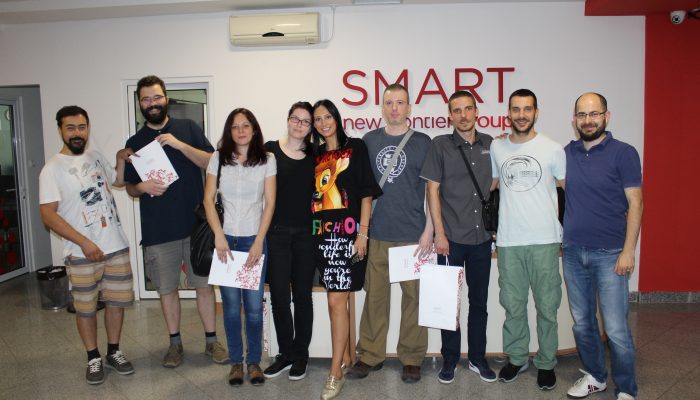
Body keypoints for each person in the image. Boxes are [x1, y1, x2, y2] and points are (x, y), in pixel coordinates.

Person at [123, 75, 227, 368]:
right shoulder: (134, 143)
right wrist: (141, 187)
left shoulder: (188, 128)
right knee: (166, 290)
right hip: (159, 230)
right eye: (146, 99)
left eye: (156, 97)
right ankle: (174, 344)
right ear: (140, 103)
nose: (152, 103)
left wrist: (180, 145)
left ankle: (211, 341)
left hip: (196, 227)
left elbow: (211, 163)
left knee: (204, 286)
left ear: (165, 98)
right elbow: (129, 187)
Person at [39, 106, 135, 385]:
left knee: (116, 303)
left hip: (115, 247)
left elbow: (118, 182)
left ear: (87, 128)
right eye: (70, 128)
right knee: (86, 308)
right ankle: (93, 357)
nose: (77, 133)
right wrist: (84, 242)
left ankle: (113, 351)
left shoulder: (95, 156)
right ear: (60, 130)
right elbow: (47, 215)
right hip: (81, 253)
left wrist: (119, 158)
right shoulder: (51, 169)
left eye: (82, 127)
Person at [347, 83, 432, 384]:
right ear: (382, 107)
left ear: (409, 107)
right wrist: (362, 232)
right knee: (375, 297)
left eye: (400, 102)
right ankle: (370, 355)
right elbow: (360, 189)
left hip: (412, 235)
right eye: (389, 103)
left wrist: (429, 231)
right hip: (378, 234)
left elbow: (433, 191)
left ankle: (412, 358)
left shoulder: (423, 142)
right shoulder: (369, 141)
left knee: (414, 300)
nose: (394, 108)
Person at [563, 93, 642, 400]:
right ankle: (596, 376)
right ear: (574, 120)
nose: (588, 120)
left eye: (594, 114)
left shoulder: (624, 153)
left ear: (606, 116)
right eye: (582, 115)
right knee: (583, 324)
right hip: (573, 252)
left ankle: (626, 388)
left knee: (616, 329)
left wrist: (628, 250)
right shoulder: (566, 153)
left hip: (611, 254)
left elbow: (636, 203)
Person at [490, 89, 566, 390]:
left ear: (536, 112)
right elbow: (493, 186)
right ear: (508, 113)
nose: (521, 115)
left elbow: (566, 191)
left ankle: (546, 363)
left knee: (547, 306)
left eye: (527, 109)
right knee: (513, 305)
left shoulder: (553, 149)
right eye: (516, 109)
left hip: (545, 239)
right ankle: (518, 357)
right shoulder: (497, 147)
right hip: (509, 240)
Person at [420, 90, 497, 384]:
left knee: (479, 303)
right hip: (450, 239)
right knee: (448, 305)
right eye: (457, 110)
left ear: (476, 111)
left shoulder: (491, 144)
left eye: (468, 109)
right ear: (450, 115)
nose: (463, 115)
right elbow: (432, 191)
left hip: (482, 240)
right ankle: (450, 360)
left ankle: (477, 358)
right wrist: (439, 233)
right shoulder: (440, 145)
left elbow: (496, 184)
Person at [311, 99, 382, 400]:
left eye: (328, 116)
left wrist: (363, 234)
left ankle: (335, 372)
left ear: (337, 118)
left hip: (349, 236)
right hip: (320, 237)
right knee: (336, 302)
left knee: (336, 301)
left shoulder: (355, 147)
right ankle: (347, 356)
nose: (323, 123)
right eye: (317, 119)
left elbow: (366, 193)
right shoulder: (314, 155)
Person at [204, 108, 276, 387]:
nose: (241, 131)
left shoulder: (267, 160)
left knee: (254, 308)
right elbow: (208, 200)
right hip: (226, 243)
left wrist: (259, 241)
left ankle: (254, 362)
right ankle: (236, 362)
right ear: (229, 131)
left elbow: (270, 203)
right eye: (235, 126)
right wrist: (218, 235)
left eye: (246, 125)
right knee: (232, 308)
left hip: (252, 241)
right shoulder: (218, 159)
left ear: (254, 129)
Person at [262, 102, 316, 381]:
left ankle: (301, 355)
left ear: (311, 127)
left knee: (303, 297)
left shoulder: (316, 155)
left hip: (307, 235)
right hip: (277, 234)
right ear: (288, 120)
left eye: (306, 121)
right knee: (280, 297)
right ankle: (286, 354)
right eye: (295, 119)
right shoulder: (269, 150)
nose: (299, 125)